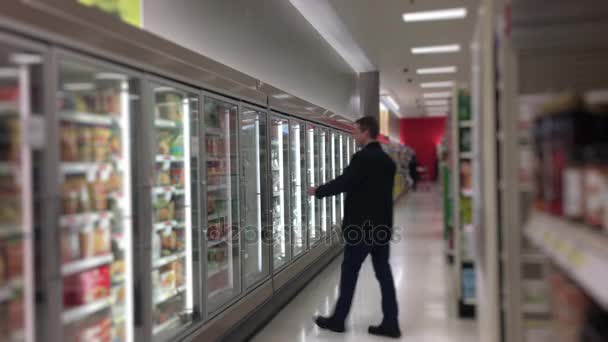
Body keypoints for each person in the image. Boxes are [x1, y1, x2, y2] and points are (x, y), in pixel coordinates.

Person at [308, 116, 401, 338]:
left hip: (361, 228)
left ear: (366, 132)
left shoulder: (362, 158)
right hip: (381, 228)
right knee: (384, 274)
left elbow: (345, 182)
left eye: (356, 131)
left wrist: (318, 191)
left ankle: (338, 320)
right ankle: (391, 322)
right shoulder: (388, 162)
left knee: (349, 272)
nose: (354, 135)